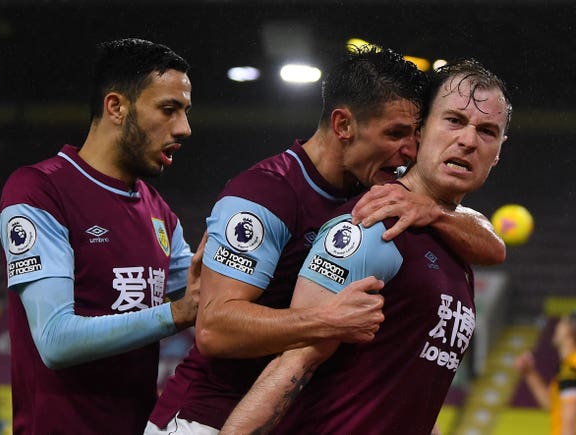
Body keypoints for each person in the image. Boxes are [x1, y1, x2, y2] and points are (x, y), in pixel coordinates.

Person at [147, 47, 506, 434]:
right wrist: (326, 320)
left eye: (413, 135)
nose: (410, 150)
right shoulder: (267, 195)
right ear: (344, 126)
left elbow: (493, 245)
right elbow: (214, 331)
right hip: (206, 417)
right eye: (396, 134)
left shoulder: (384, 196)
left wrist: (434, 211)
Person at [0, 38, 202, 435]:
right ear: (116, 107)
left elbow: (207, 298)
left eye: (186, 112)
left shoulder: (161, 214)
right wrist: (174, 314)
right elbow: (55, 340)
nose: (185, 128)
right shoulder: (39, 191)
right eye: (168, 109)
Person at [515, 312, 576, 435]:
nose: (557, 326)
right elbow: (551, 404)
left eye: (562, 322)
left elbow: (571, 420)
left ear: (568, 330)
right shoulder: (567, 367)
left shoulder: (571, 368)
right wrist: (529, 373)